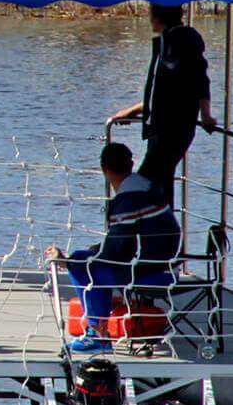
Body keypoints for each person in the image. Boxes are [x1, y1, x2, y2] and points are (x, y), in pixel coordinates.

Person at [45, 143, 181, 353]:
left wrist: (66, 261)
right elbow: (124, 242)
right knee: (87, 258)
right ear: (131, 164)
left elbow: (115, 253)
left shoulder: (127, 200)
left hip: (150, 273)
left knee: (81, 264)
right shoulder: (148, 187)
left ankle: (98, 335)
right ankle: (100, 321)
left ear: (103, 169)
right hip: (167, 267)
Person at [110, 3, 216, 206]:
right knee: (160, 189)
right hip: (160, 127)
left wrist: (206, 114)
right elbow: (163, 92)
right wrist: (133, 111)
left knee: (142, 186)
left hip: (172, 129)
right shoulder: (167, 42)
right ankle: (161, 234)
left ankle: (132, 227)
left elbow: (199, 79)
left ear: (156, 17)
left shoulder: (183, 40)